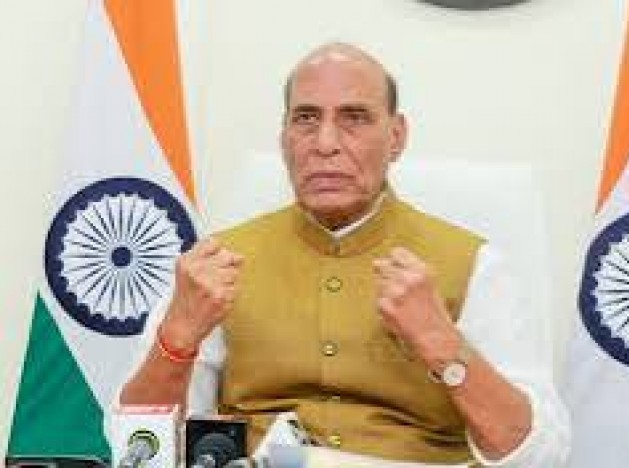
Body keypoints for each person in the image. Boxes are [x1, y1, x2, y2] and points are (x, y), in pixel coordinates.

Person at [119, 42, 569, 466]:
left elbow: (536, 454)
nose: (325, 143)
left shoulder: (475, 266)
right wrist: (176, 339)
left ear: (396, 137)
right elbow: (138, 448)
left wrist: (443, 345)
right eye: (306, 119)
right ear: (284, 137)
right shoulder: (218, 265)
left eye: (354, 118)